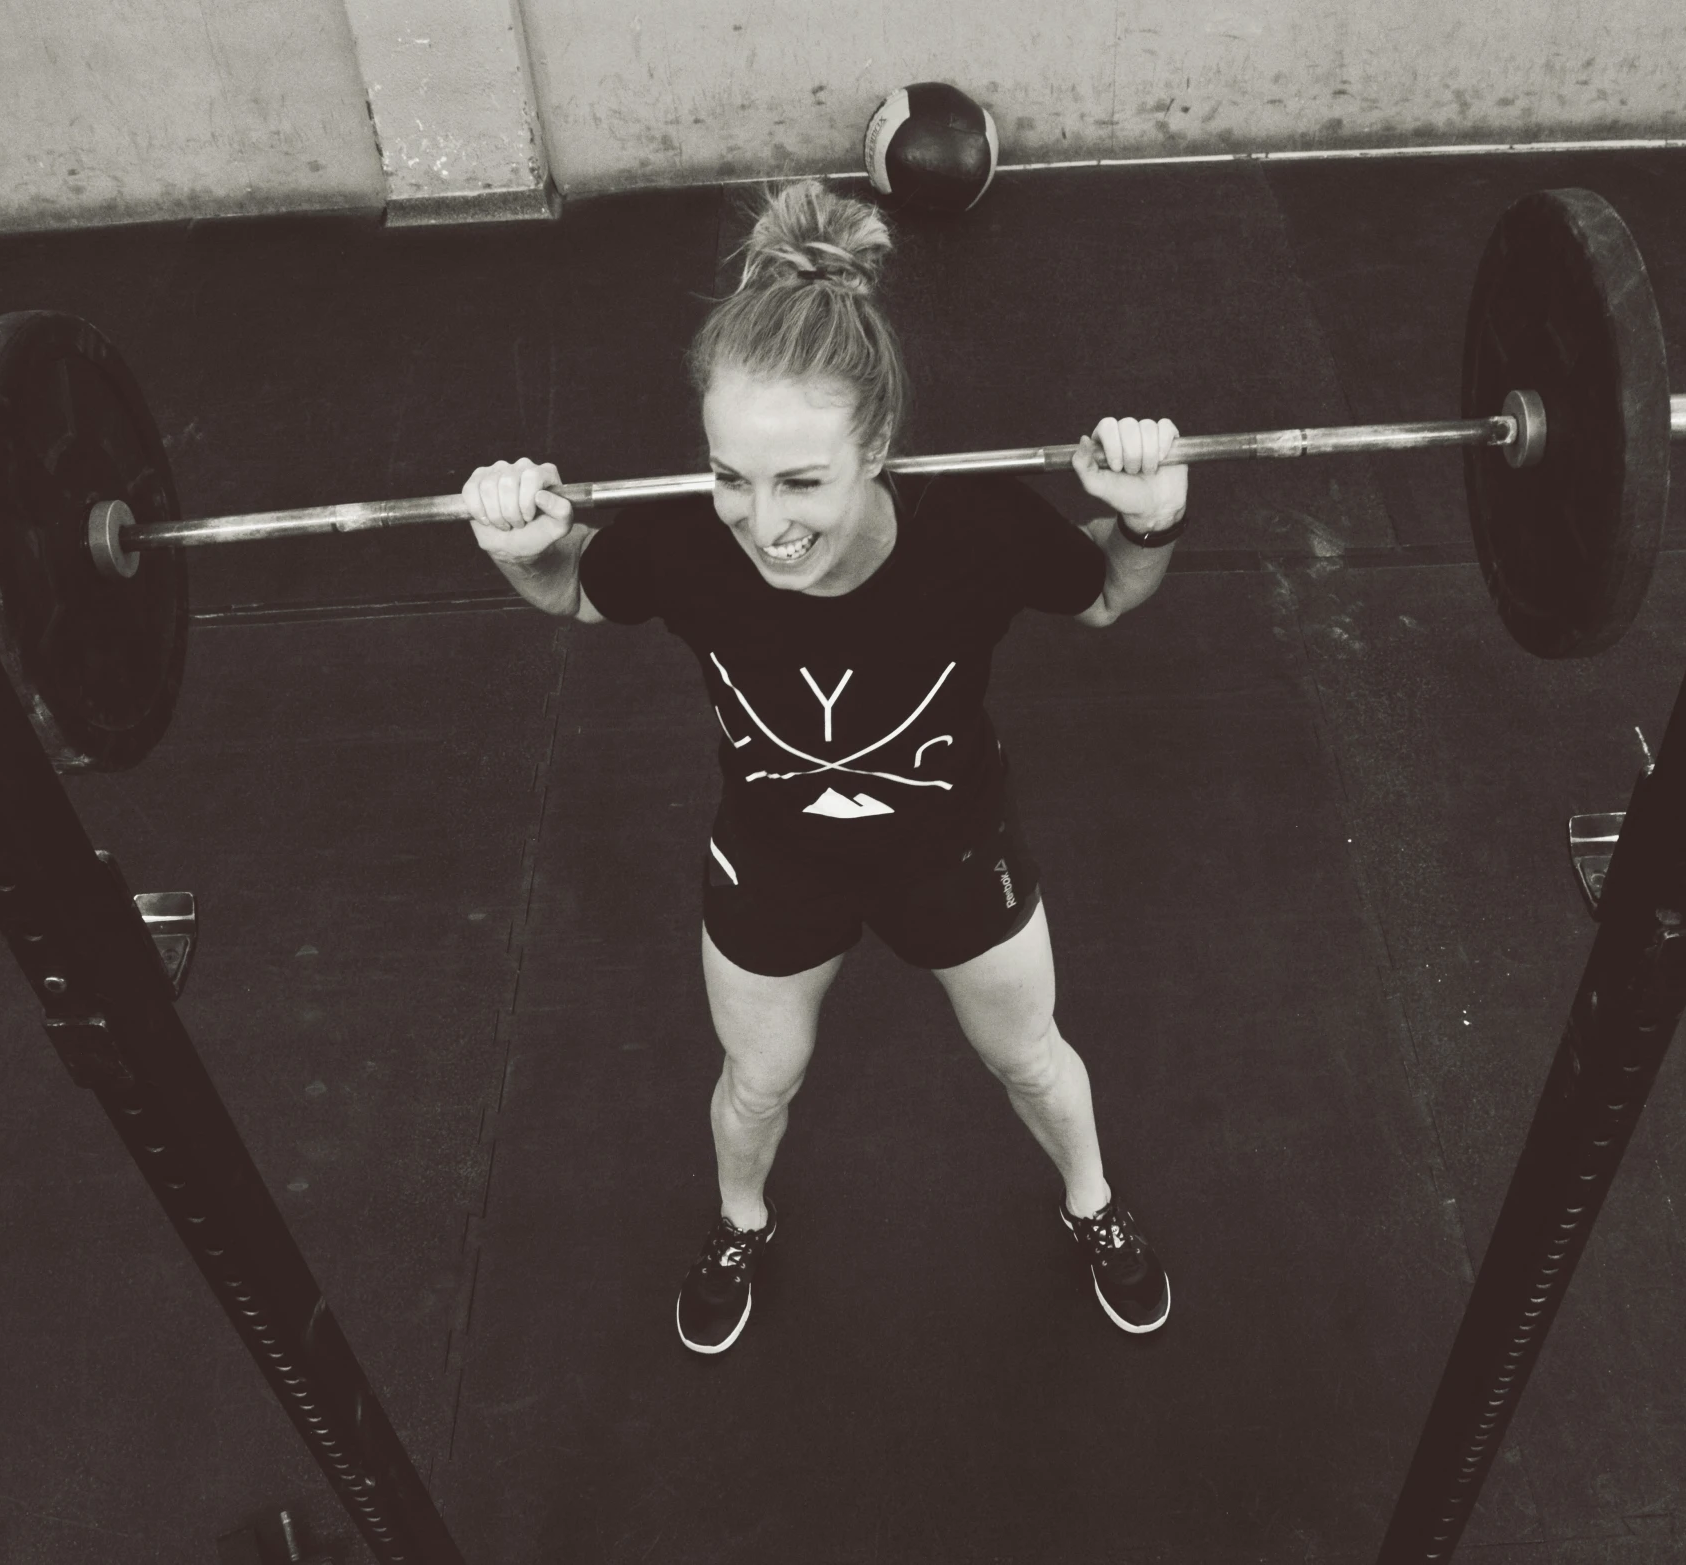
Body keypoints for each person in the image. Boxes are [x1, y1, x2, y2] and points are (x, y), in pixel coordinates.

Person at [463, 180, 1187, 1355]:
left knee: (1029, 1058)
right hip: (774, 855)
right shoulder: (681, 543)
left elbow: (1104, 590)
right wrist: (515, 541)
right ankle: (738, 1220)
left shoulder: (979, 533)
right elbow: (571, 588)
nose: (761, 522)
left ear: (880, 447)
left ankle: (1093, 1202)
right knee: (758, 1081)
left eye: (801, 480)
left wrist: (1149, 518)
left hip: (951, 847)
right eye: (728, 475)